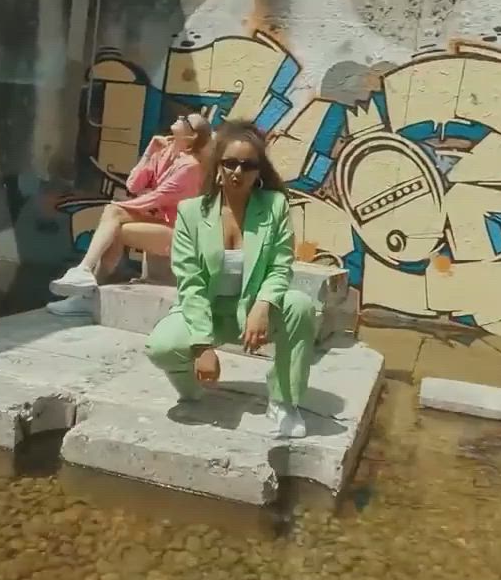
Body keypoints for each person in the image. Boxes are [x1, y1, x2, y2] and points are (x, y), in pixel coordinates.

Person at [143, 121, 318, 439]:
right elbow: (191, 283)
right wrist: (202, 345)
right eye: (230, 163)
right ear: (217, 167)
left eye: (248, 165)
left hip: (252, 312)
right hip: (206, 310)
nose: (238, 172)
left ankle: (284, 400)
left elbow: (280, 266)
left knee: (300, 306)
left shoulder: (275, 206)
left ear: (259, 170)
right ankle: (192, 386)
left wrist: (263, 305)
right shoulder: (191, 213)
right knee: (161, 347)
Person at [49, 113, 211, 316]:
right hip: (161, 223)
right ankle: (86, 286)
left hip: (180, 233)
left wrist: (120, 208)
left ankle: (85, 281)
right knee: (115, 225)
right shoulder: (165, 152)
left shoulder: (191, 167)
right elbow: (133, 185)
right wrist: (150, 150)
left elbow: (158, 197)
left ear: (192, 136)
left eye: (186, 120)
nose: (180, 118)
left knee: (114, 216)